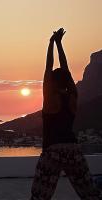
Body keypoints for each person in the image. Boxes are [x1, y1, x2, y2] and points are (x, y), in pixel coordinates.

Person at [30, 28, 101, 200]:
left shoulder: (50, 99)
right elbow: (65, 69)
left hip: (52, 150)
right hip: (72, 149)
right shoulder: (73, 97)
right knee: (89, 193)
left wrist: (51, 43)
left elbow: (48, 68)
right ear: (68, 81)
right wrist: (60, 44)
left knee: (40, 196)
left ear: (52, 82)